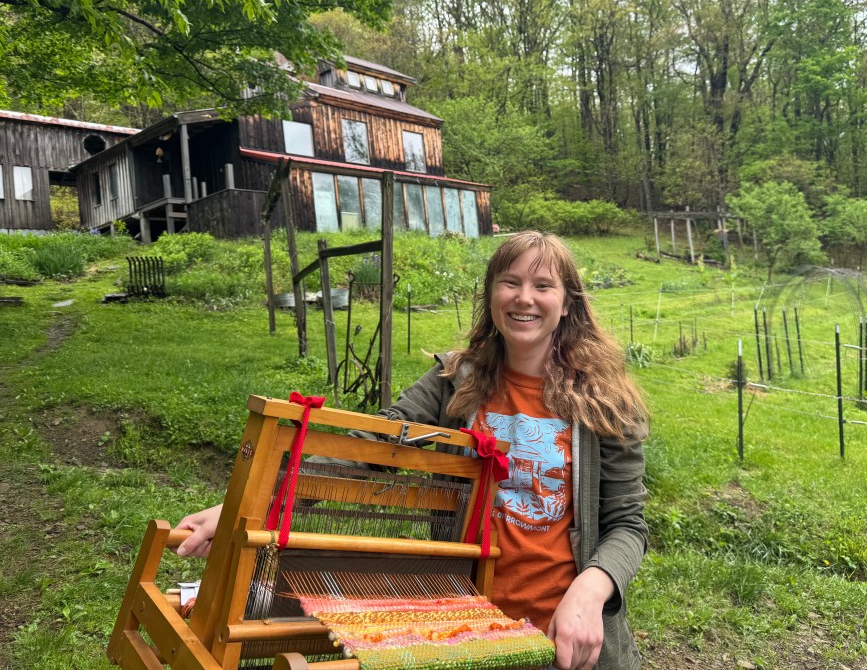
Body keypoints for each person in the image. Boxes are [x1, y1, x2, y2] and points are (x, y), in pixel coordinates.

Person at [175, 231, 649, 670]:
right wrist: (250, 506)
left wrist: (589, 592)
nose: (524, 297)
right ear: (491, 295)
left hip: (567, 634)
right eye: (510, 282)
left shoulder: (605, 403)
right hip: (464, 623)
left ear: (566, 303)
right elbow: (371, 444)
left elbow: (627, 525)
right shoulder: (455, 382)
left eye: (543, 285)